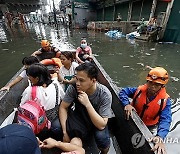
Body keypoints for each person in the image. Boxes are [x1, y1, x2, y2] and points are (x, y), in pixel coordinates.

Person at [56, 63, 114, 154]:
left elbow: (101, 124)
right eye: (77, 79)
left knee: (101, 138)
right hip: (80, 117)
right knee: (56, 127)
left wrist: (87, 104)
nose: (77, 83)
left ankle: (104, 152)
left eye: (81, 80)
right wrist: (65, 132)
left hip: (97, 119)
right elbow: (63, 107)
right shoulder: (74, 87)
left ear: (93, 80)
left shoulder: (104, 94)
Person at [119, 67, 172, 154]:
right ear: (147, 81)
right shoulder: (140, 91)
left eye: (157, 84)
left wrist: (160, 136)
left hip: (149, 126)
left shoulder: (165, 101)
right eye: (150, 83)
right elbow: (123, 92)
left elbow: (166, 119)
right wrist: (127, 104)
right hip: (131, 118)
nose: (152, 87)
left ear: (162, 86)